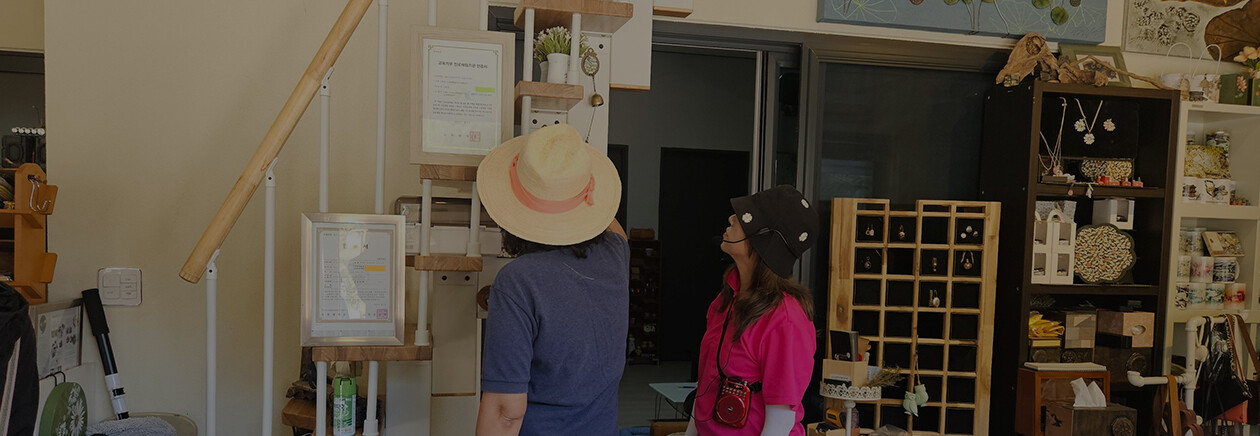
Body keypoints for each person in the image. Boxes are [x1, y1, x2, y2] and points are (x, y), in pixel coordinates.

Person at [474, 124, 628, 436]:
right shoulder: (616, 252)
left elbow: (505, 413)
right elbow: (609, 221)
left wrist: (545, 184)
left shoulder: (517, 281)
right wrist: (574, 181)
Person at [686, 185, 819, 436]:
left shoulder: (785, 320)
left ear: (763, 240)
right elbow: (706, 388)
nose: (731, 218)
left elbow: (780, 421)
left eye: (743, 217)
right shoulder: (725, 300)